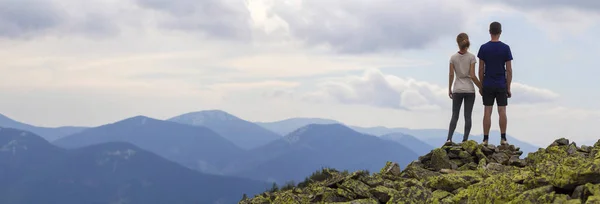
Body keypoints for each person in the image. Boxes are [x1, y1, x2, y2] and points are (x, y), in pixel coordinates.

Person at [477, 21, 513, 146]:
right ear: (500, 32)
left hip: (488, 83)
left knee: (487, 111)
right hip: (501, 84)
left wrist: (481, 85)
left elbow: (481, 69)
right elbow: (509, 69)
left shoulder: (483, 48)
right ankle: (503, 138)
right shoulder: (505, 48)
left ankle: (485, 139)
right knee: (502, 110)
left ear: (489, 31)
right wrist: (508, 86)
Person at [445, 33, 483, 145]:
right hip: (469, 90)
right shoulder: (471, 57)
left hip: (457, 89)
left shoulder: (453, 58)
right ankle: (465, 140)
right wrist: (481, 87)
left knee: (455, 115)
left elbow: (451, 74)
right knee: (468, 116)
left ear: (457, 43)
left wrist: (449, 88)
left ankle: (449, 139)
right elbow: (472, 75)